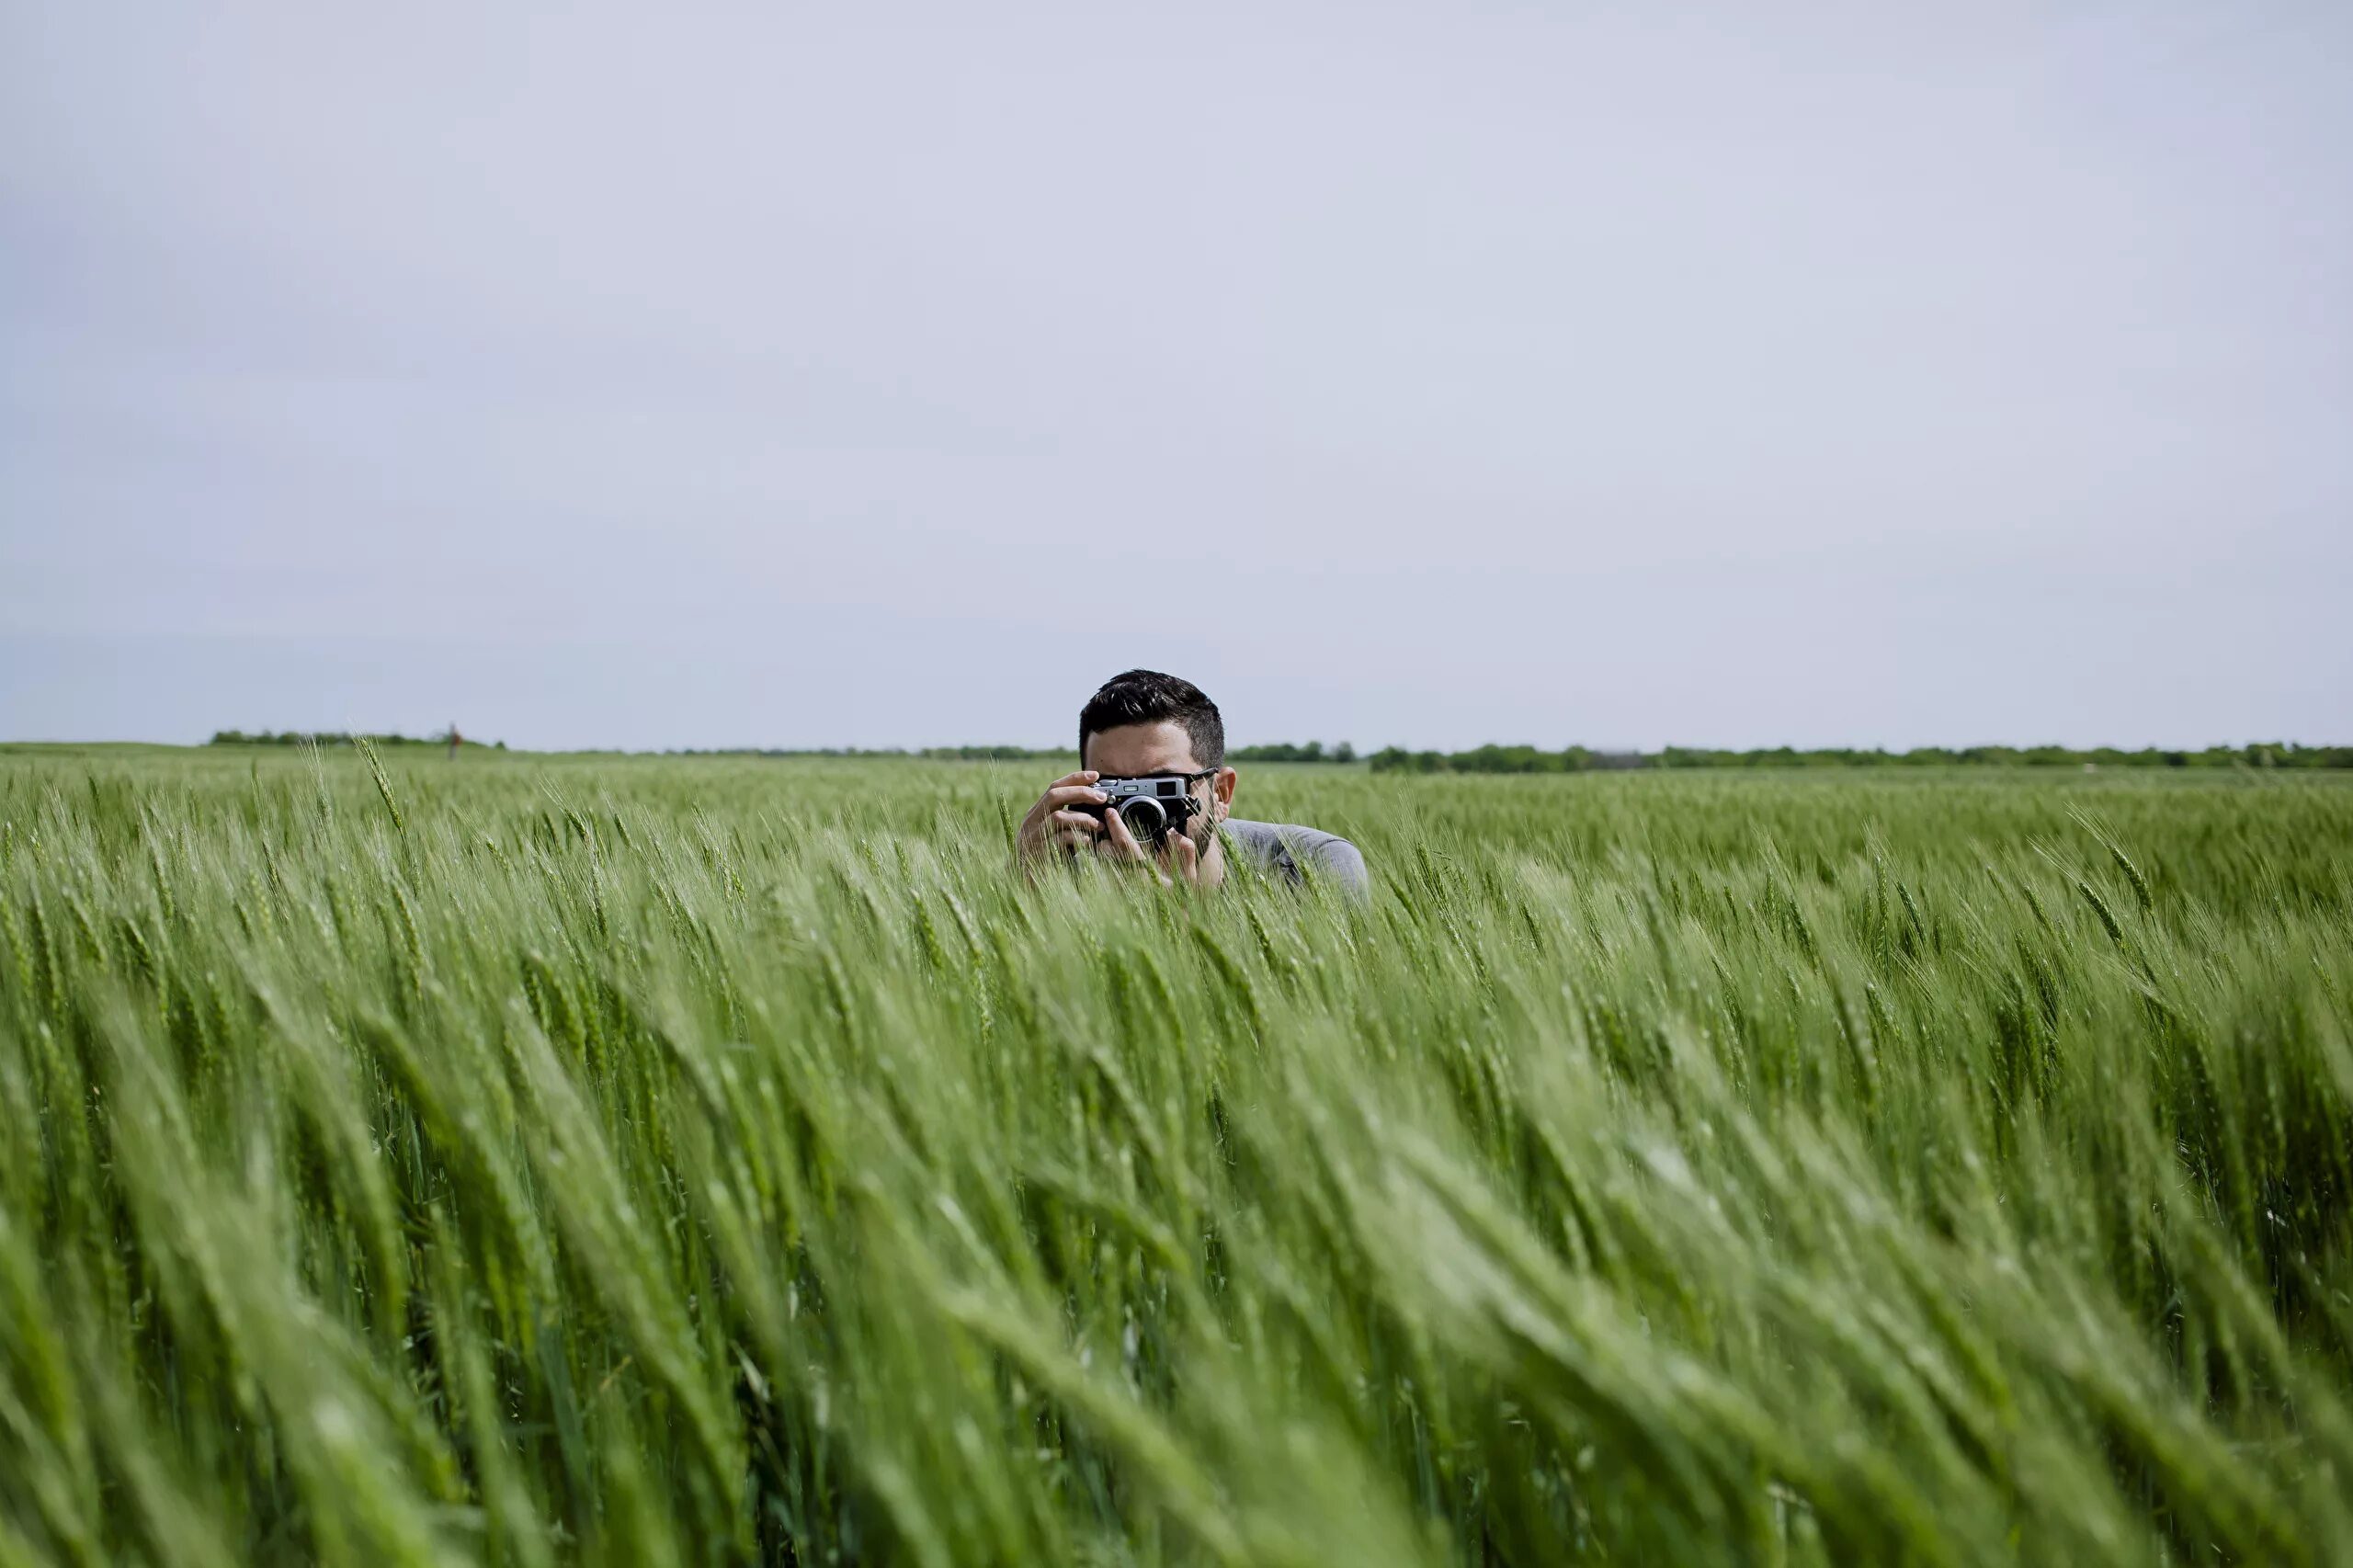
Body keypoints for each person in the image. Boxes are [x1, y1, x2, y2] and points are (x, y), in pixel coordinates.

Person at [1016, 669, 1369, 896]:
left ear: (1220, 792)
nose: (1135, 814)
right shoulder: (1061, 879)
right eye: (1113, 790)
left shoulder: (1310, 867)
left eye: (1162, 787)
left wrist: (1177, 924)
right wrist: (1020, 897)